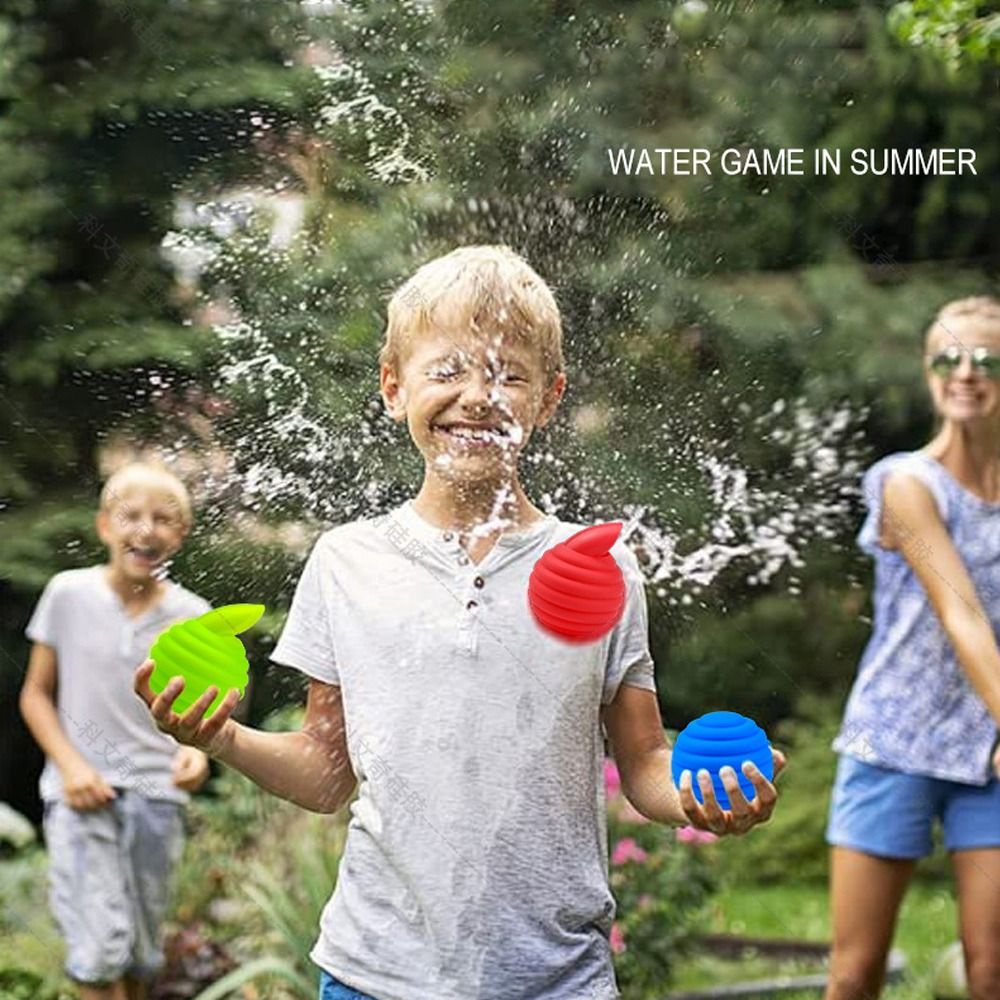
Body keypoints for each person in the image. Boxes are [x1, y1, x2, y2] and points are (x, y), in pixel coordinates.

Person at [133, 244, 787, 1000]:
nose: (479, 396)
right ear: (392, 385)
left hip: (555, 977)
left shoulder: (599, 564)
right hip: (375, 973)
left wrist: (703, 800)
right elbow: (324, 773)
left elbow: (643, 764)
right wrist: (219, 737)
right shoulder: (347, 561)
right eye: (446, 370)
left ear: (549, 398)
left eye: (510, 374)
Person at [824, 296, 1000, 1000]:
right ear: (928, 373)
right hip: (893, 741)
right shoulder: (905, 484)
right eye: (947, 359)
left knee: (992, 971)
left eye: (986, 359)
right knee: (855, 972)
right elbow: (962, 617)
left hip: (986, 753)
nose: (966, 373)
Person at [19, 461, 212, 1000]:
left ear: (181, 535)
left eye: (163, 519)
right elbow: (35, 695)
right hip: (82, 794)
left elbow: (199, 719)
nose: (145, 530)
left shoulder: (194, 617)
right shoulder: (67, 594)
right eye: (130, 516)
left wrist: (197, 756)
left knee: (139, 957)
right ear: (105, 525)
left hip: (157, 797)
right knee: (99, 953)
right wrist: (71, 765)